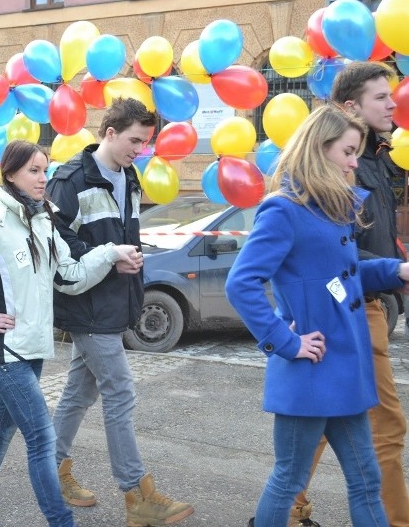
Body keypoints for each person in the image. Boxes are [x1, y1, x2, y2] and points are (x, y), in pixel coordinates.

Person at [0, 140, 143, 527]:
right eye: (33, 170)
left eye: (44, 170)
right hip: (4, 350)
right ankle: (61, 521)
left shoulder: (43, 219)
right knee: (43, 440)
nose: (42, 178)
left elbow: (70, 276)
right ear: (10, 173)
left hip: (31, 347)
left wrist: (110, 253)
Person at [226, 105, 409, 526]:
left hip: (344, 367)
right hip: (310, 370)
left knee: (366, 480)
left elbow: (341, 275)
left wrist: (394, 270)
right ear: (318, 147)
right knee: (289, 480)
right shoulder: (285, 209)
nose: (352, 162)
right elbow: (242, 283)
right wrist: (286, 342)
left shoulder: (331, 208)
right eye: (347, 151)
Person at [46, 98, 194, 526]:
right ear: (109, 133)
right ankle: (137, 495)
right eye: (135, 140)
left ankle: (53, 470)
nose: (140, 149)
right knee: (120, 393)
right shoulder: (69, 179)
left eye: (146, 142)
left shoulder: (129, 175)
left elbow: (121, 234)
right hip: (87, 305)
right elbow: (57, 249)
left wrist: (128, 257)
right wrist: (111, 256)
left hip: (113, 301)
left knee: (79, 393)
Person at [286, 62, 408, 527]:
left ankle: (283, 509)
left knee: (321, 424)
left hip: (368, 297)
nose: (393, 103)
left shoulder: (376, 156)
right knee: (385, 426)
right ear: (349, 106)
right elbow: (331, 251)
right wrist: (390, 271)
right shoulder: (342, 164)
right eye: (381, 97)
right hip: (352, 305)